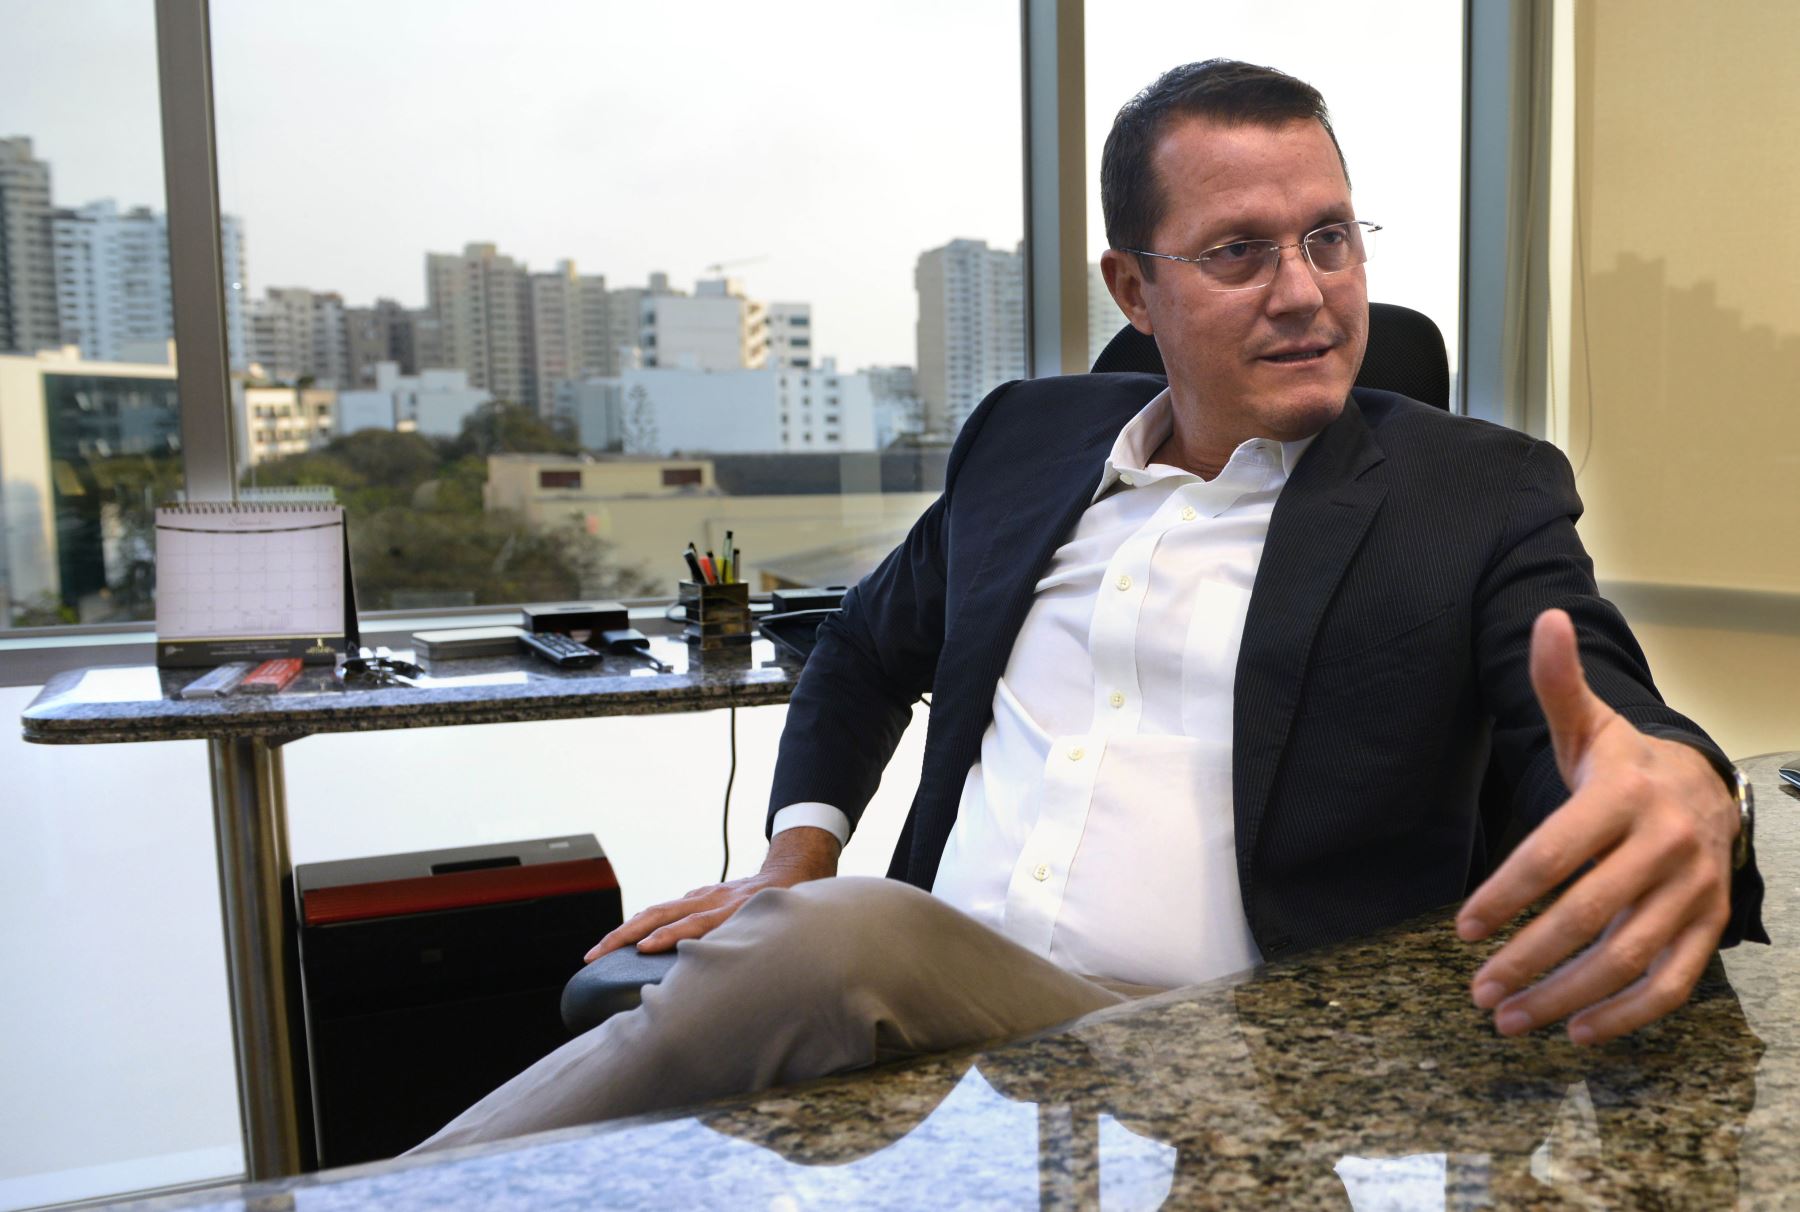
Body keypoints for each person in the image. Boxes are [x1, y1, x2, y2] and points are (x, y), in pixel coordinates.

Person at [414, 59, 1765, 1152]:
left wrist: (1687, 783)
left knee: (832, 943)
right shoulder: (1027, 441)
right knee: (810, 953)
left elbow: (1598, 704)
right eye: (1239, 252)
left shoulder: (1473, 493)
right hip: (941, 1026)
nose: (1306, 290)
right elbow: (864, 652)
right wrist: (792, 858)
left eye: (1330, 237)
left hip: (1236, 1052)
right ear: (1135, 289)